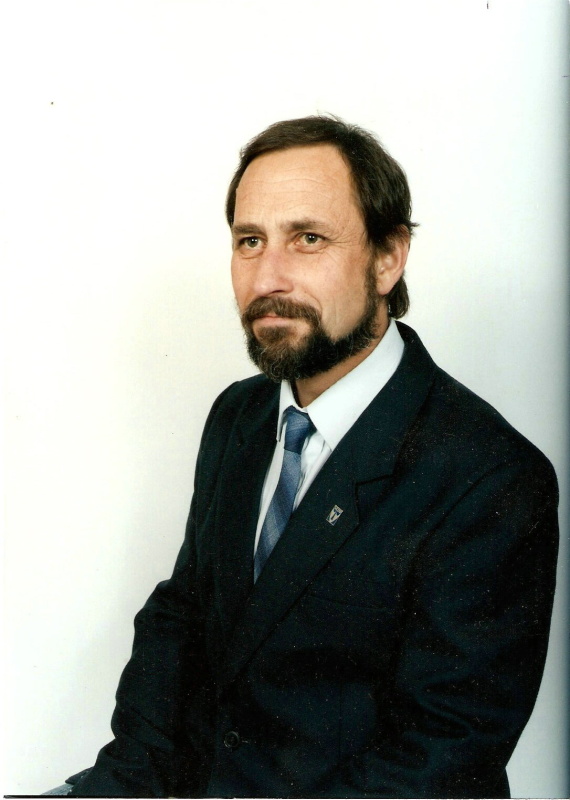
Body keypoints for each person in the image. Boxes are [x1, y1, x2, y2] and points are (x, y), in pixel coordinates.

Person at [62, 116, 558, 798]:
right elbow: (181, 625)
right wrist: (116, 786)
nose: (268, 277)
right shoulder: (238, 416)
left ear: (388, 258)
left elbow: (439, 757)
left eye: (308, 239)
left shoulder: (489, 475)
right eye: (250, 241)